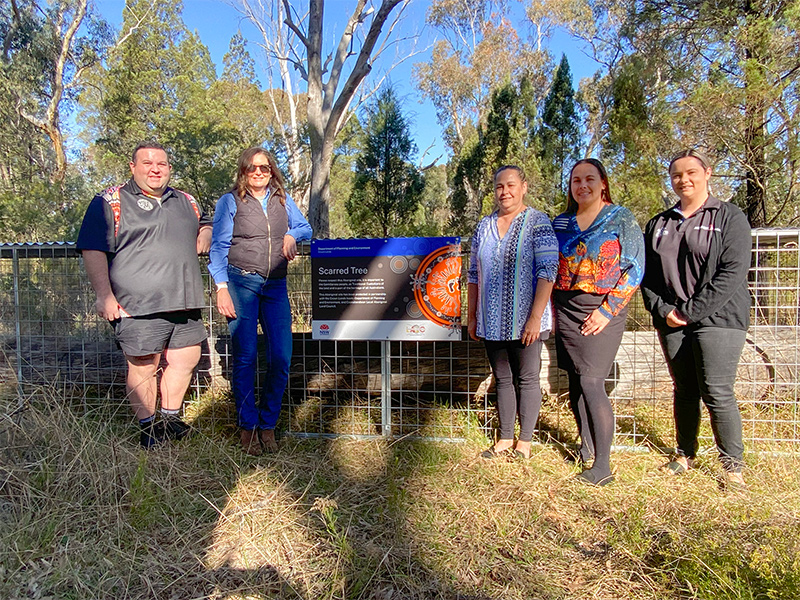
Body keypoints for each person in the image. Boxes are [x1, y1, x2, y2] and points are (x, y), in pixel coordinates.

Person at [77, 141, 212, 449]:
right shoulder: (110, 200)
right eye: (148, 163)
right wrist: (104, 296)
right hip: (135, 305)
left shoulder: (186, 200)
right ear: (133, 167)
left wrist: (205, 230)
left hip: (185, 299)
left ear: (169, 169)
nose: (155, 169)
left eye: (161, 164)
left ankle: (170, 420)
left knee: (186, 359)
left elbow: (205, 221)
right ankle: (149, 428)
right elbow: (93, 248)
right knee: (143, 367)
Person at [641, 150, 751, 489]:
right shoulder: (659, 223)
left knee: (717, 391)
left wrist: (688, 311)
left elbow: (732, 272)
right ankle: (685, 454)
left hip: (719, 317)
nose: (684, 180)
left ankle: (732, 468)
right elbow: (645, 275)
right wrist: (663, 311)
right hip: (672, 319)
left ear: (707, 173)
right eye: (676, 175)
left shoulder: (729, 217)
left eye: (691, 172)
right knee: (685, 389)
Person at [208, 148, 312, 456]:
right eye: (252, 168)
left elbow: (305, 226)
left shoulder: (282, 199)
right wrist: (221, 287)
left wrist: (292, 235)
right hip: (240, 283)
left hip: (275, 286)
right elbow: (218, 246)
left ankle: (268, 425)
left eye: (264, 168)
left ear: (272, 172)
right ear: (243, 171)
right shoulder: (230, 201)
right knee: (246, 357)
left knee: (281, 357)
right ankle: (247, 427)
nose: (258, 172)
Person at [552, 158, 644, 486]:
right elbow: (548, 268)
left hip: (602, 310)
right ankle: (586, 448)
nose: (582, 185)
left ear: (603, 183)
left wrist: (607, 311)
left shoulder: (621, 218)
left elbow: (635, 268)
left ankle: (603, 466)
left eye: (589, 179)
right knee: (576, 380)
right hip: (565, 308)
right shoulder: (560, 223)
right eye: (576, 180)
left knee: (592, 381)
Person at [468, 165, 559, 460]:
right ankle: (505, 438)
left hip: (527, 321)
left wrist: (535, 318)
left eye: (510, 185)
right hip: (491, 320)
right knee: (502, 378)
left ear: (523, 187)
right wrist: (472, 315)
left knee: (528, 378)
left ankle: (525, 443)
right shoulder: (484, 226)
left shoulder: (538, 222)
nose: (504, 192)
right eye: (499, 187)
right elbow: (472, 274)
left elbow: (548, 271)